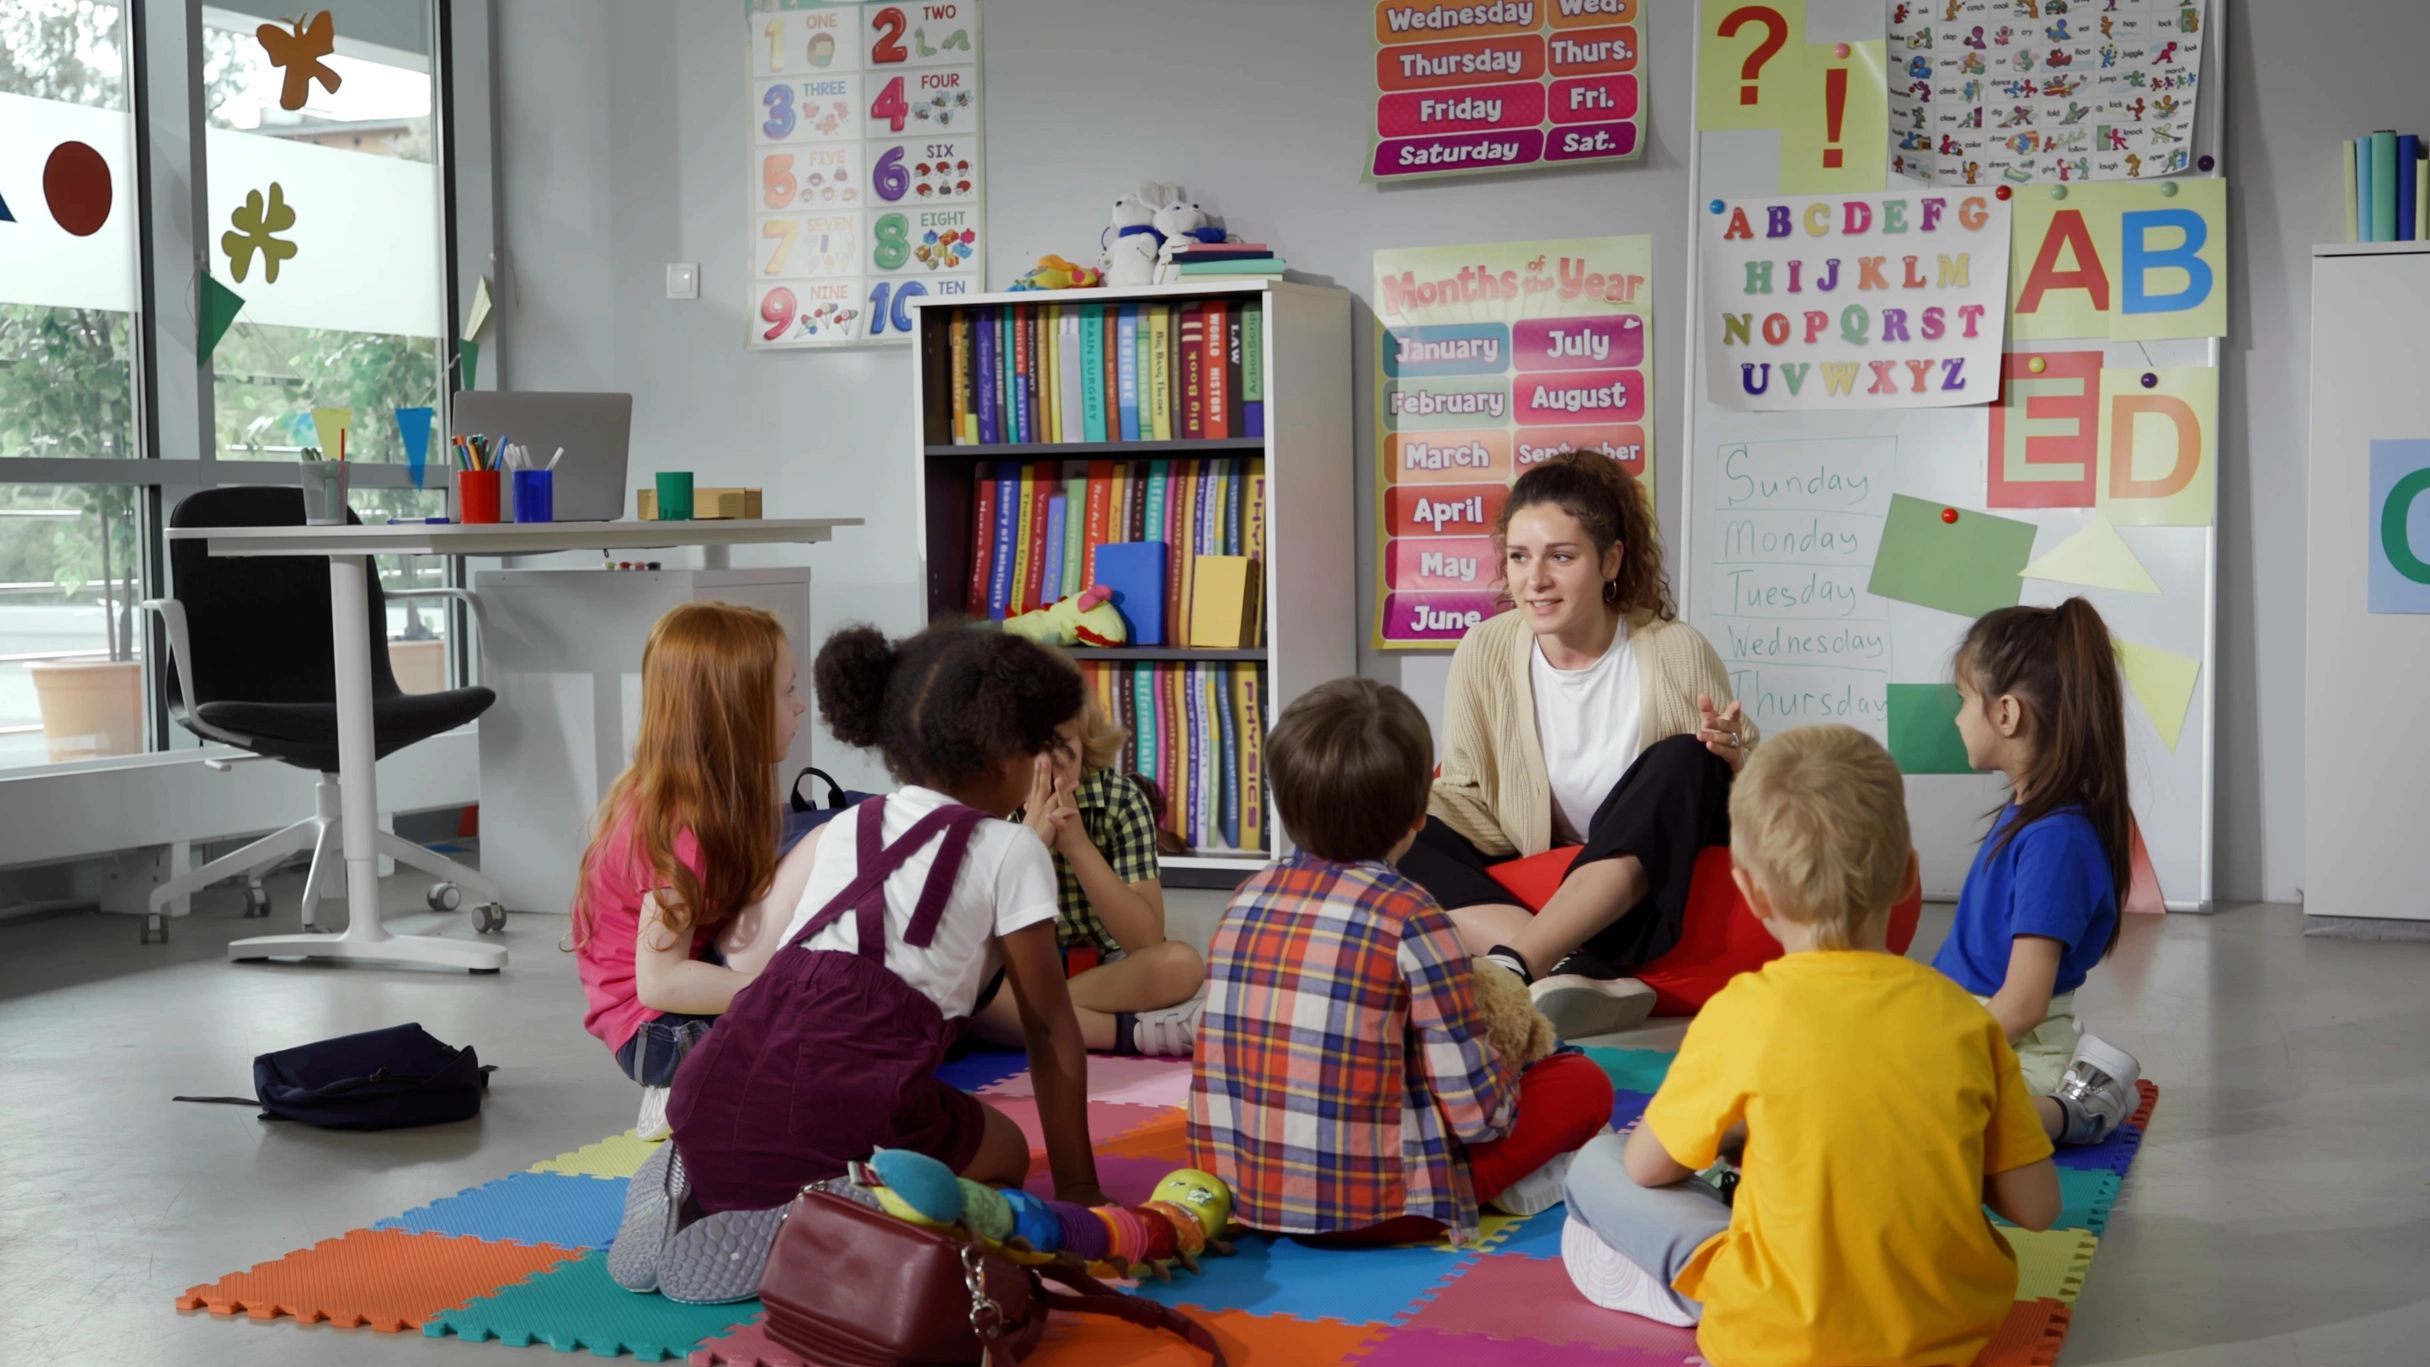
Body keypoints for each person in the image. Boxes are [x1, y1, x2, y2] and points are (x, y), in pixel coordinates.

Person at [1560, 725, 2061, 1366]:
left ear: (1751, 891)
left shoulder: (1742, 1012)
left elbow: (1649, 1169)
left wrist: (1736, 1137)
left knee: (1598, 1162)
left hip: (1777, 1335)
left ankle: (1681, 1291)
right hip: (1950, 1330)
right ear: (1909, 875)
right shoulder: (1965, 1020)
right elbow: (2039, 1207)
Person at [666, 622, 1106, 1218]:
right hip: (848, 1106)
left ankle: (712, 1189)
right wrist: (1080, 1192)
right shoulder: (1011, 847)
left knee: (805, 1112)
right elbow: (1050, 1029)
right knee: (1006, 1151)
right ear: (1006, 758)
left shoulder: (848, 825)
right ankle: (853, 1199)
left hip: (710, 1092)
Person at [1190, 677, 1614, 1248]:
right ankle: (1519, 1182)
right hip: (1384, 1209)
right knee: (1581, 1080)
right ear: (1420, 815)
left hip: (1247, 1196)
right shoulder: (1412, 916)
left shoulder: (1245, 898)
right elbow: (1477, 1115)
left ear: (1284, 806)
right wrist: (1516, 1067)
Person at [1398, 450, 1757, 1040]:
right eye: (1518, 558)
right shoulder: (1484, 650)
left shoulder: (1675, 650)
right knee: (1397, 827)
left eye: (1560, 557)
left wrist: (1733, 760)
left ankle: (1517, 963)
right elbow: (1462, 790)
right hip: (1530, 864)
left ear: (1609, 560)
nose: (1534, 581)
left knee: (1686, 757)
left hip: (1643, 888)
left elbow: (1750, 797)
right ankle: (1567, 964)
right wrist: (1403, 823)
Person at [571, 602, 815, 1141]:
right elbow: (660, 982)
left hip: (653, 1022)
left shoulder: (685, 791)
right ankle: (685, 1089)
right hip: (658, 1037)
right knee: (830, 1048)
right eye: (786, 692)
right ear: (737, 711)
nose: (799, 707)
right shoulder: (686, 823)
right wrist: (778, 991)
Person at [1934, 598, 2144, 1143]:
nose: (1957, 718)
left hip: (2015, 1047)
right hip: (1970, 1024)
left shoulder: (2057, 841)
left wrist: (1936, 1051)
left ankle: (2079, 1108)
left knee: (1929, 1120)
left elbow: (2024, 1002)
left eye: (1963, 701)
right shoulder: (2031, 815)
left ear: (2006, 713)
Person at [974, 683, 1205, 1058]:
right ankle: (1127, 1033)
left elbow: (1145, 941)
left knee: (1181, 964)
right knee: (967, 996)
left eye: (1064, 746)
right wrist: (1027, 845)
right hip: (1017, 973)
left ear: (1086, 743)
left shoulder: (1120, 800)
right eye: (1034, 748)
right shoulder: (987, 803)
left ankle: (1019, 1023)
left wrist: (1078, 845)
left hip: (1107, 971)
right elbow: (976, 940)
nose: (1050, 762)